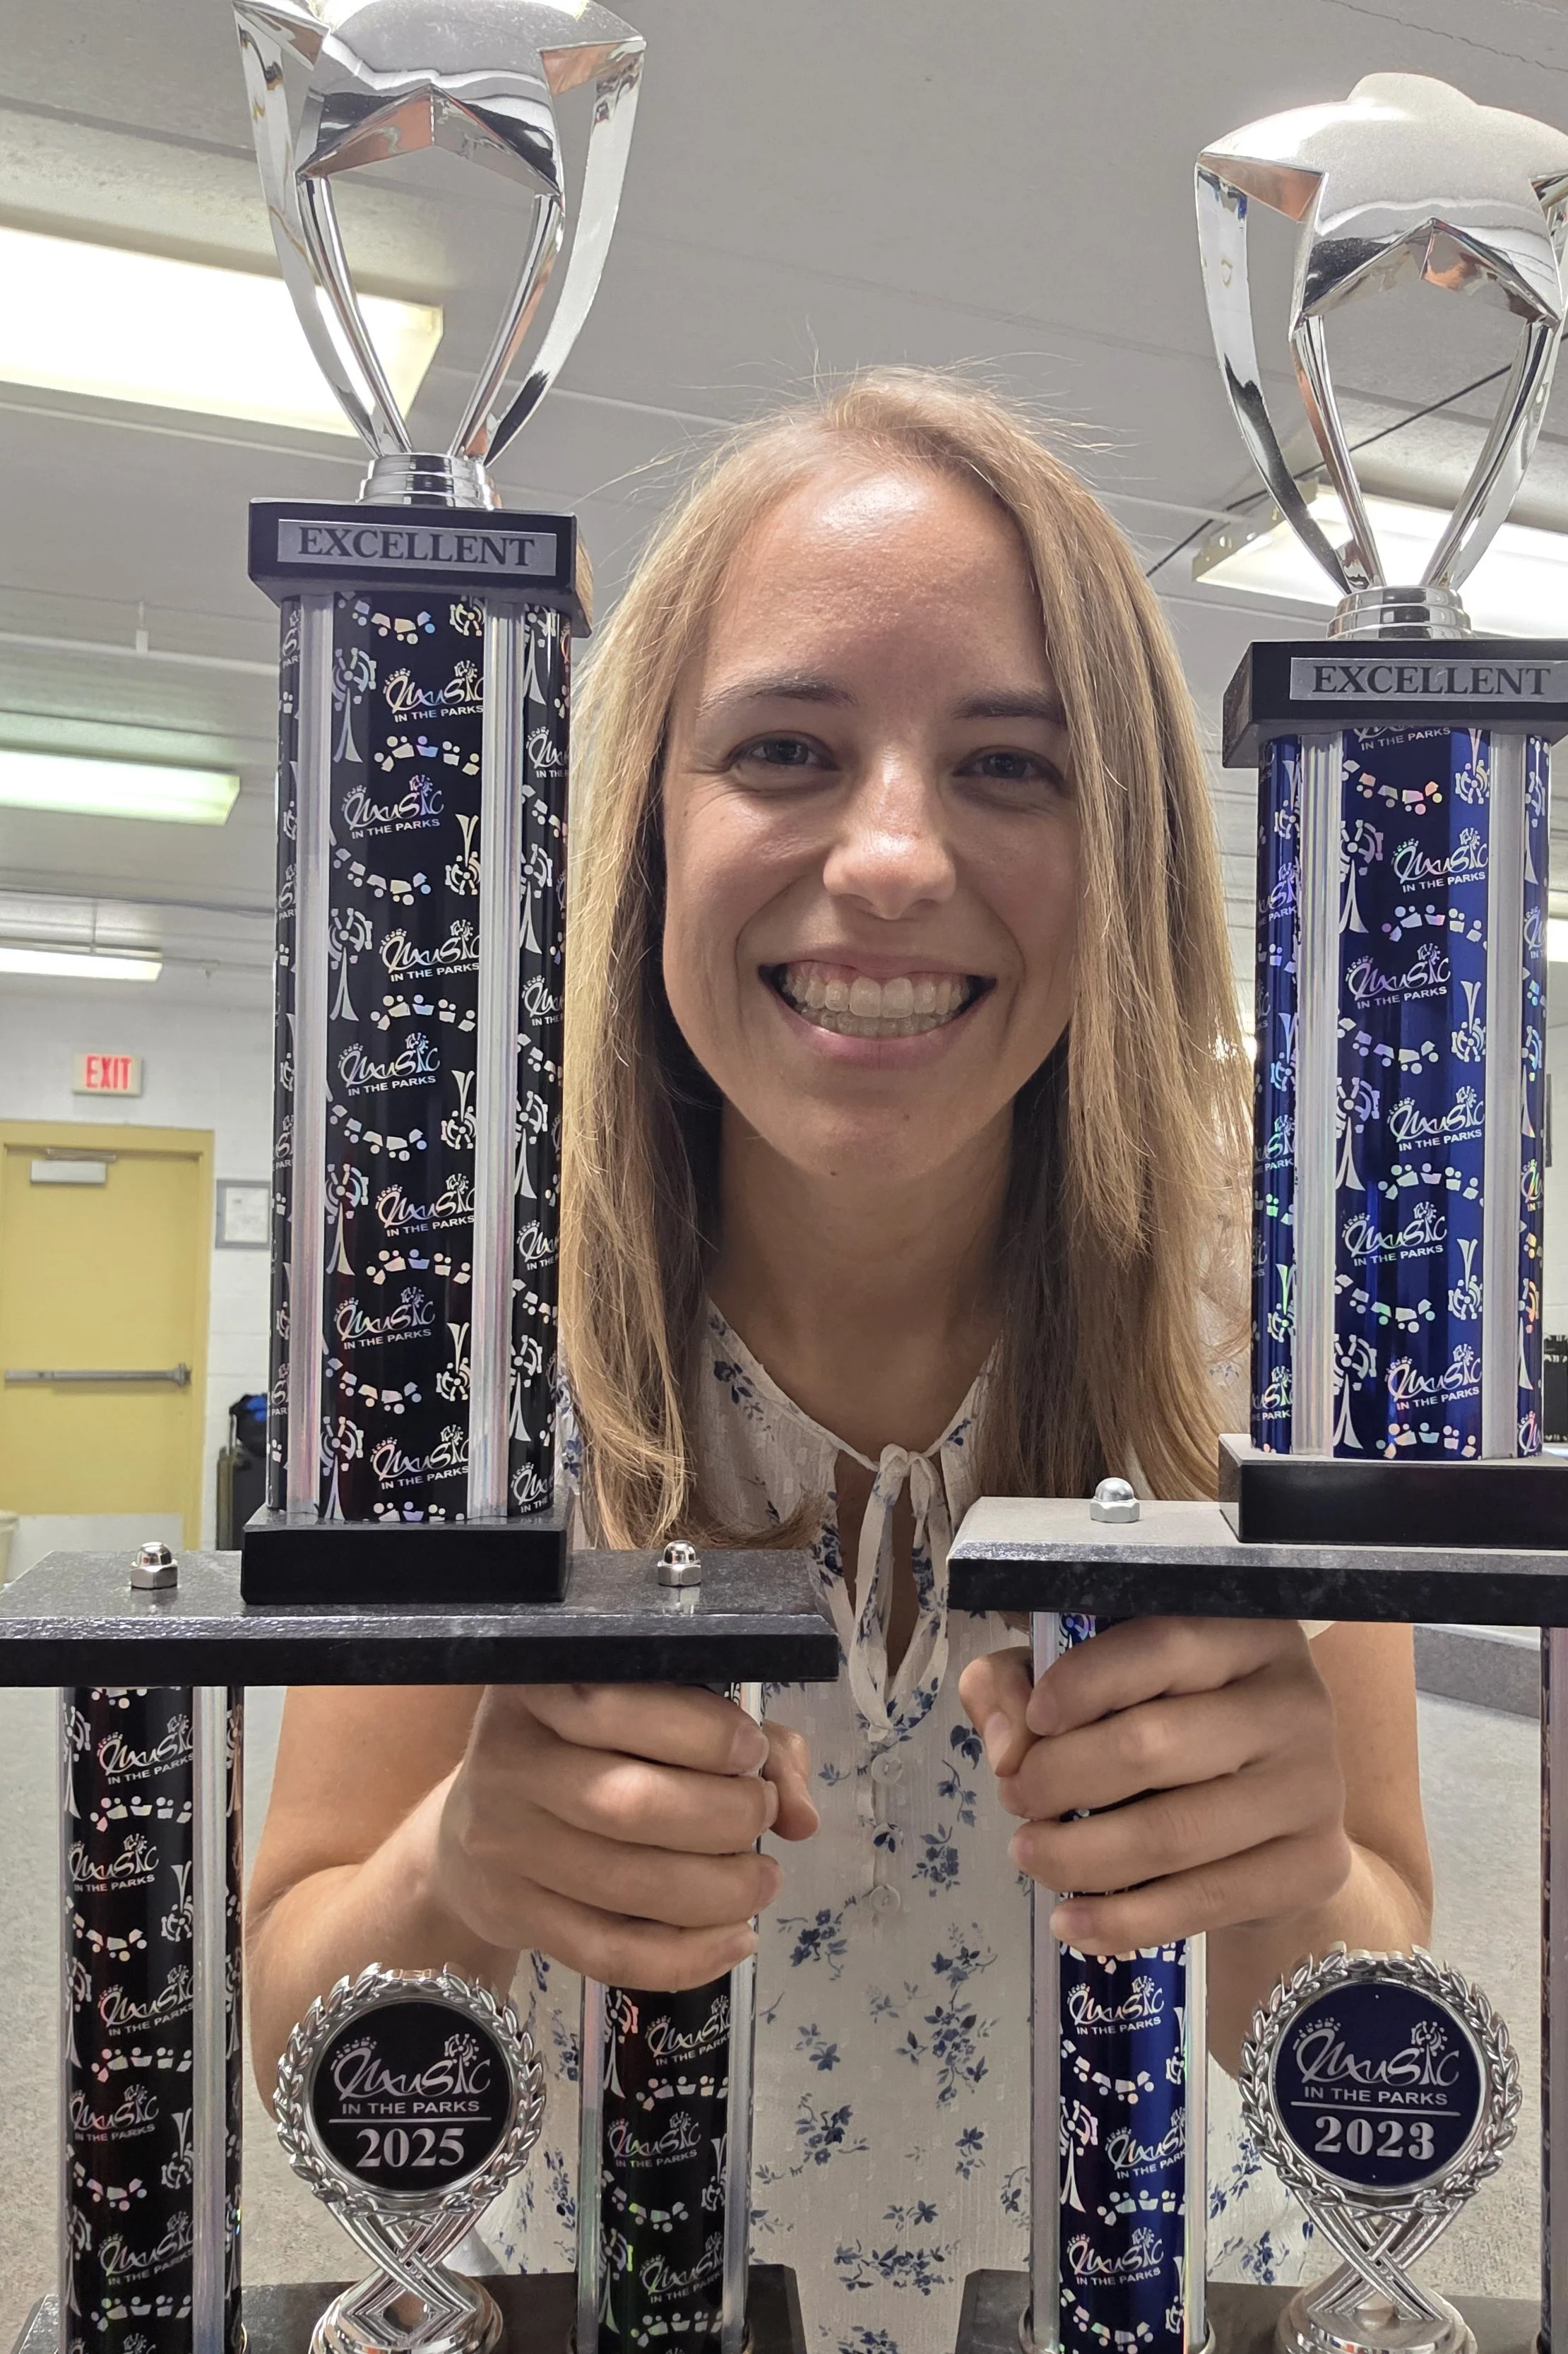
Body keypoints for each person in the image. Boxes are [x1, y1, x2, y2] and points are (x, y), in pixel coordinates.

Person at [247, 369, 1432, 2339]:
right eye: (787, 747)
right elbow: (296, 2011)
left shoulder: (1273, 1353)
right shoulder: (453, 1351)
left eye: (1007, 766)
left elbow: (1380, 1955)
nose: (888, 858)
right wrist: (459, 1861)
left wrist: (1281, 1868)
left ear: (1120, 849)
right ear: (641, 824)